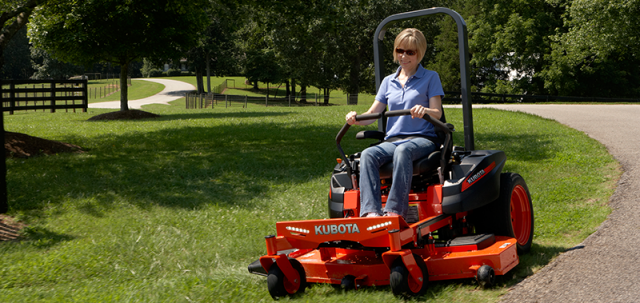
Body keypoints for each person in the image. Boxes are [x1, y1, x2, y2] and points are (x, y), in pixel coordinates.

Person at [345, 28, 444, 218]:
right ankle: (371, 213)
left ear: (419, 53)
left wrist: (424, 111)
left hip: (422, 139)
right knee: (367, 155)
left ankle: (394, 211)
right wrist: (356, 119)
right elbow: (374, 113)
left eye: (410, 52)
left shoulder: (431, 77)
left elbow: (437, 113)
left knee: (403, 150)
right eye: (400, 50)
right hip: (393, 140)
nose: (404, 56)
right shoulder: (388, 81)